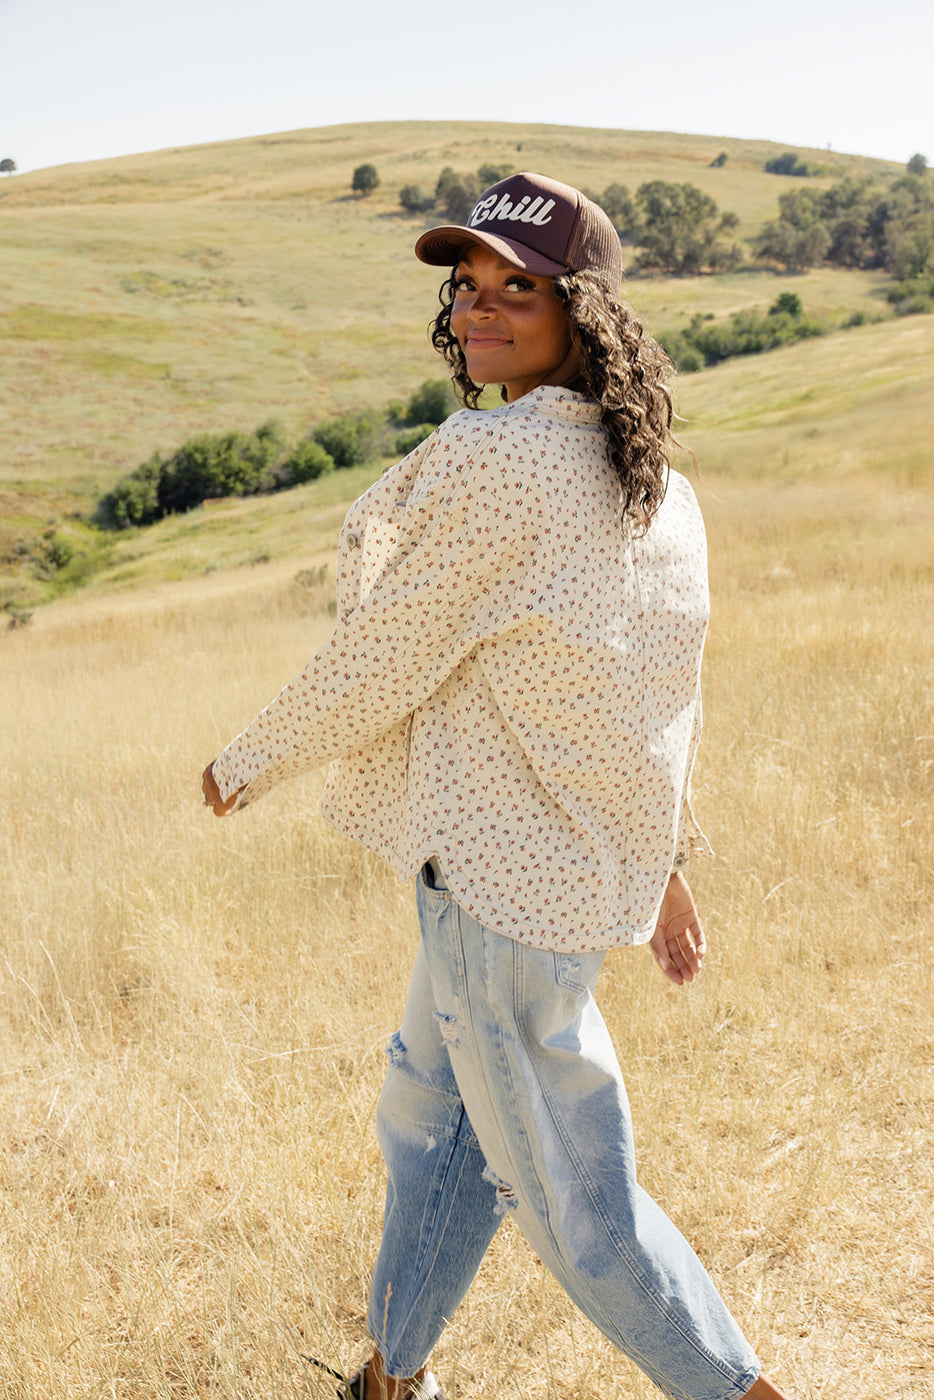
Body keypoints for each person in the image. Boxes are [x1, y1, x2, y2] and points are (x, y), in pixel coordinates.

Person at [202, 172, 792, 1400]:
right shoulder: (656, 486)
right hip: (540, 880)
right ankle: (389, 1371)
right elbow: (654, 702)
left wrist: (244, 759)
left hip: (499, 900)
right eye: (466, 286)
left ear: (582, 308)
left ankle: (742, 1390)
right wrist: (667, 865)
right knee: (432, 1122)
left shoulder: (497, 460)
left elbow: (384, 654)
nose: (479, 310)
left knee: (582, 1208)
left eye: (515, 286)